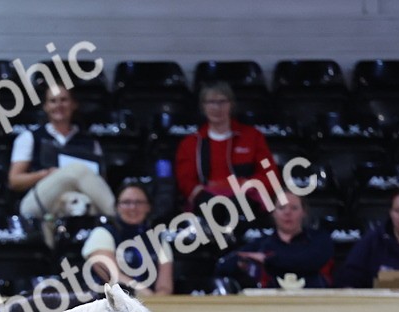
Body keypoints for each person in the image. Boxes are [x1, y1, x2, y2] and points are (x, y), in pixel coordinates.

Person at [8, 85, 116, 228]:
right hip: (38, 202)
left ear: (73, 104)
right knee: (77, 169)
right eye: (53, 101)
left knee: (85, 204)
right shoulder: (30, 138)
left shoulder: (90, 143)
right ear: (46, 107)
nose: (58, 105)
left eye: (64, 100)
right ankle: (118, 217)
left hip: (78, 201)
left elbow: (99, 183)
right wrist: (46, 174)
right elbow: (14, 181)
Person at [175, 82, 277, 214]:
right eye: (211, 102)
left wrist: (246, 184)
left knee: (239, 205)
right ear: (203, 107)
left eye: (222, 102)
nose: (217, 108)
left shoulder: (253, 137)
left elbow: (269, 173)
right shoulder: (190, 143)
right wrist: (203, 192)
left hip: (245, 198)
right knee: (211, 206)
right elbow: (185, 180)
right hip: (207, 200)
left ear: (231, 104)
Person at [215, 192, 334, 289]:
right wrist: (241, 263)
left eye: (294, 208)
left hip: (313, 302)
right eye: (282, 208)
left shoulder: (320, 239)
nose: (287, 213)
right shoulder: (261, 243)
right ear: (273, 213)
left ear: (304, 212)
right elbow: (223, 266)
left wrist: (267, 259)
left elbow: (308, 261)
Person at [81, 182, 174, 296]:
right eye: (126, 202)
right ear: (117, 207)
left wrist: (158, 303)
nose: (133, 207)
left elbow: (164, 286)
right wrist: (145, 295)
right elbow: (112, 274)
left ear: (148, 207)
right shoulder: (103, 233)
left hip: (150, 307)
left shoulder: (158, 239)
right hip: (109, 305)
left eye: (139, 202)